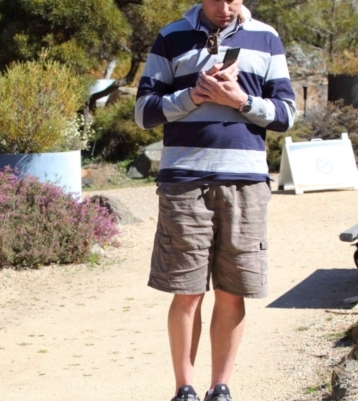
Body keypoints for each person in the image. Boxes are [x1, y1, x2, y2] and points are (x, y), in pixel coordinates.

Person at [134, 1, 296, 400]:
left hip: (245, 182)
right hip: (184, 181)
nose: (226, 7)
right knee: (186, 290)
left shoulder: (267, 37)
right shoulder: (171, 36)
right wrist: (193, 95)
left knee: (232, 289)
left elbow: (287, 114)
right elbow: (143, 113)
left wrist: (239, 100)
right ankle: (184, 388)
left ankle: (220, 388)